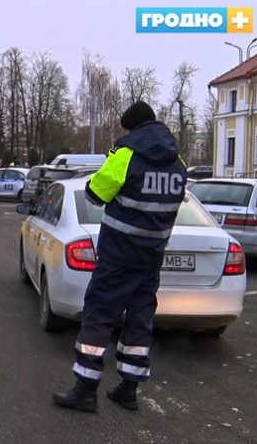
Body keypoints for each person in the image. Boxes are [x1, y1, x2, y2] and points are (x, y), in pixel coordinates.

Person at [52, 101, 187, 413]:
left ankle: (85, 389)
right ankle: (129, 389)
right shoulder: (177, 161)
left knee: (98, 315)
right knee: (140, 319)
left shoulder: (126, 154)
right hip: (152, 257)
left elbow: (96, 194)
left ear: (132, 128)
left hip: (119, 255)